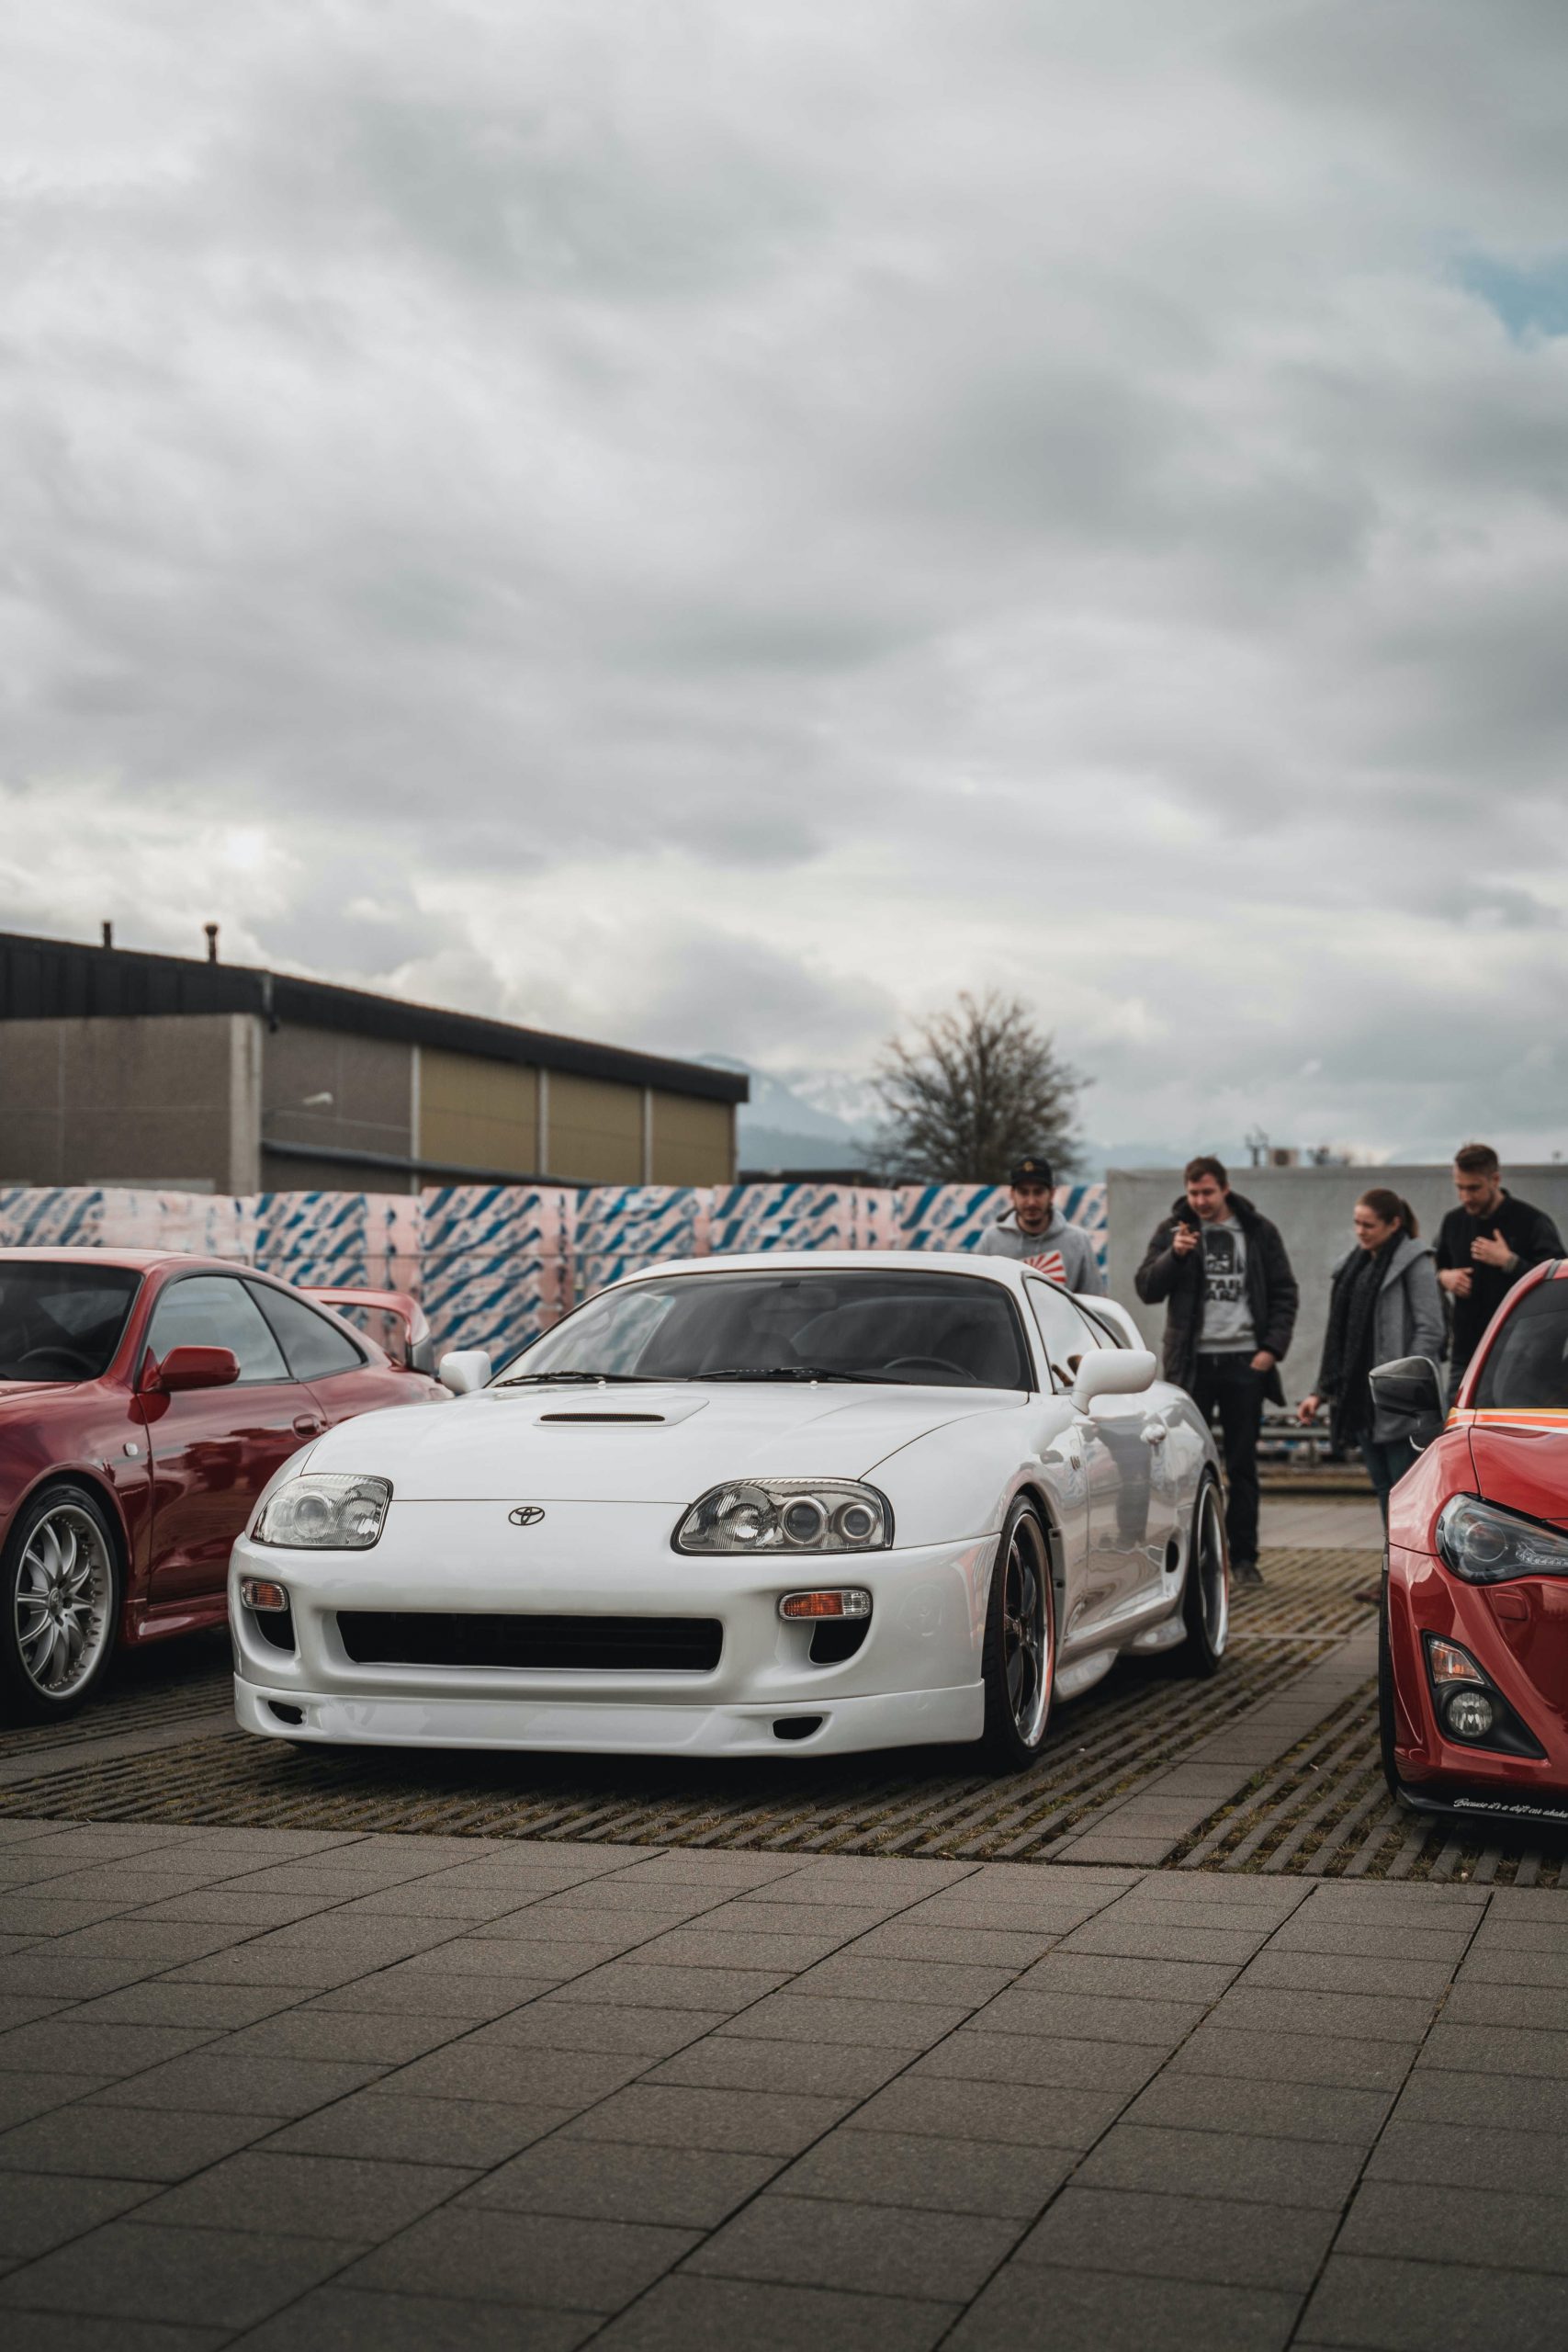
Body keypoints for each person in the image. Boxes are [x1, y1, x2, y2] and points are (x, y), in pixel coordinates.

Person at [1134, 1155, 1298, 1585]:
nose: (1200, 1201)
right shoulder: (1176, 1231)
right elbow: (1147, 1287)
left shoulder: (1258, 1231)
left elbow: (1285, 1291)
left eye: (1207, 1192)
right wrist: (1176, 1255)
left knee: (1242, 1465)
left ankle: (1244, 1559)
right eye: (1193, 1193)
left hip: (1245, 1363)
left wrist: (1271, 1351)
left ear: (1224, 1189)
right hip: (1193, 1366)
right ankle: (1195, 1559)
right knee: (1186, 1464)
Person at [1298, 1190, 1445, 1527]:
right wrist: (1318, 1393)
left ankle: (1409, 1571)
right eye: (1357, 1224)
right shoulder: (1354, 1265)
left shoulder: (1415, 1261)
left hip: (1400, 1405)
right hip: (1361, 1399)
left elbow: (1431, 1328)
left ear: (1394, 1223)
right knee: (1383, 1489)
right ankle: (1390, 1565)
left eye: (1369, 1225)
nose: (1361, 1231)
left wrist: (1403, 1381)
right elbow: (1342, 1338)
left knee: (1407, 1491)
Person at [1434, 1143, 1562, 1394]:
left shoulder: (1531, 1222)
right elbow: (1434, 1267)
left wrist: (1509, 1263)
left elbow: (1558, 1285)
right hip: (1467, 1355)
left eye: (1474, 1188)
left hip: (1524, 1359)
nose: (1465, 1197)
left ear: (1495, 1179)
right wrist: (1444, 1277)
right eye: (1459, 1188)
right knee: (1457, 1430)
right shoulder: (1453, 1222)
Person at [976, 1156, 1106, 1295]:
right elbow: (978, 1297)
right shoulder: (992, 1240)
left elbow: (1095, 1301)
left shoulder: (1078, 1241)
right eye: (1023, 1192)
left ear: (1052, 1194)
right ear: (1012, 1194)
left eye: (1038, 1192)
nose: (1031, 1202)